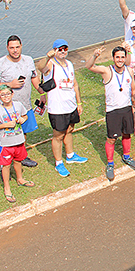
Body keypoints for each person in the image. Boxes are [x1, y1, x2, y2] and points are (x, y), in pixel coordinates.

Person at [84, 46, 135, 181]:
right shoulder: (106, 71)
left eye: (122, 57)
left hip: (126, 108)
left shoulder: (129, 71)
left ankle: (126, 156)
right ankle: (110, 164)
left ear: (126, 58)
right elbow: (89, 67)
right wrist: (95, 55)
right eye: (117, 57)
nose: (120, 60)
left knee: (127, 133)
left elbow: (133, 89)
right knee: (112, 138)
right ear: (113, 58)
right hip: (113, 111)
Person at [0, 35, 43, 167]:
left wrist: (41, 91)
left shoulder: (28, 60)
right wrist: (9, 84)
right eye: (12, 48)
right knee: (7, 135)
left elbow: (33, 76)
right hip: (5, 108)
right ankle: (4, 164)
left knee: (23, 133)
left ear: (21, 46)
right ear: (7, 48)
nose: (15, 50)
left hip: (24, 106)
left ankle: (22, 157)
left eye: (17, 47)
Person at [38, 39, 87, 177]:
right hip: (58, 108)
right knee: (58, 136)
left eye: (65, 49)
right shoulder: (50, 64)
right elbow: (40, 67)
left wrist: (79, 103)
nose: (63, 51)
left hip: (70, 106)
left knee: (70, 130)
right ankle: (58, 162)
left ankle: (70, 155)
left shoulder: (69, 64)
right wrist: (48, 56)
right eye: (59, 49)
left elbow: (75, 84)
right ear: (54, 50)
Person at [0, 85, 34, 203]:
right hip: (6, 143)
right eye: (3, 95)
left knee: (18, 160)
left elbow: (25, 115)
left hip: (19, 140)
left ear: (12, 94)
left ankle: (20, 179)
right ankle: (7, 188)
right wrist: (5, 125)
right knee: (6, 165)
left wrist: (23, 119)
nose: (6, 97)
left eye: (8, 94)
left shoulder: (18, 105)